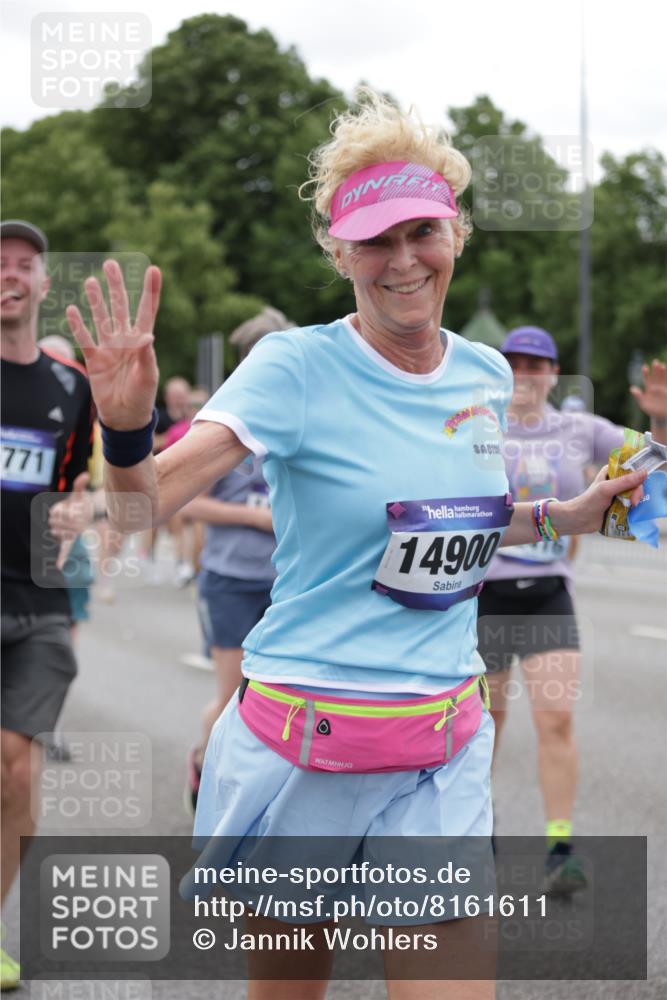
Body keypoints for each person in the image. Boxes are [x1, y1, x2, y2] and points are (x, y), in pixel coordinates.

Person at [56, 91, 647, 1000]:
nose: (403, 259)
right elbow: (137, 514)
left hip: (441, 754)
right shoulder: (295, 368)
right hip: (302, 752)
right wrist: (128, 433)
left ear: (455, 231)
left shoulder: (486, 374)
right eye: (374, 239)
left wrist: (564, 516)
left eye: (422, 231)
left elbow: (464, 525)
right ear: (339, 253)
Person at [476, 326, 667, 893]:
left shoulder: (580, 429)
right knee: (485, 726)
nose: (525, 374)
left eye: (537, 364)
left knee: (555, 720)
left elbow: (651, 465)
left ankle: (560, 850)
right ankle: (478, 834)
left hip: (547, 595)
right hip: (484, 596)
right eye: (514, 363)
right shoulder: (477, 427)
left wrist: (659, 422)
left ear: (554, 374)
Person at [1, 220, 93, 991]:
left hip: (38, 601)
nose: (10, 274)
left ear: (42, 282)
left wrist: (78, 513)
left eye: (24, 264)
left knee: (18, 775)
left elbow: (81, 485)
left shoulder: (71, 386)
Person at [181, 310, 292, 811]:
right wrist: (252, 518)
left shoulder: (302, 417)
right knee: (233, 701)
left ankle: (265, 804)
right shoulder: (220, 422)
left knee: (281, 704)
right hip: (229, 580)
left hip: (287, 586)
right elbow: (187, 501)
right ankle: (205, 766)